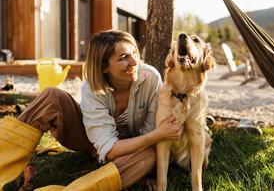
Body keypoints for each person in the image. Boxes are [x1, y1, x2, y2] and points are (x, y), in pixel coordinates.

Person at [0, 30, 183, 191]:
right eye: (123, 57)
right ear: (104, 67)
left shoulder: (150, 78)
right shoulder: (91, 89)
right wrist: (158, 135)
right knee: (51, 96)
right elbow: (111, 147)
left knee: (149, 155)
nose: (134, 61)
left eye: (135, 53)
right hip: (91, 141)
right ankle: (3, 170)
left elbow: (149, 131)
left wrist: (152, 144)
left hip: (132, 151)